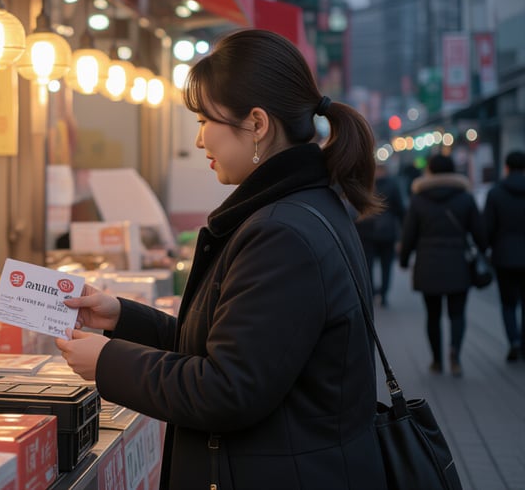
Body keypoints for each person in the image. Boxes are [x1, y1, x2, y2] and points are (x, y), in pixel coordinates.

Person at [54, 29, 386, 489]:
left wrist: (108, 361)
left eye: (204, 121)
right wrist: (120, 317)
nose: (198, 141)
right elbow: (226, 345)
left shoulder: (280, 232)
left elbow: (228, 388)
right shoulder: (300, 207)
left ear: (256, 124)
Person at [399, 154, 485, 377]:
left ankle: (436, 361)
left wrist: (404, 259)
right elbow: (479, 232)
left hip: (428, 263)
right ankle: (455, 353)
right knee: (457, 313)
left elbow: (408, 234)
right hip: (458, 261)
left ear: (429, 170)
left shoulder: (418, 199)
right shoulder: (465, 197)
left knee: (433, 315)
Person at [483, 150, 525, 362]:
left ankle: (514, 342)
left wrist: (487, 248)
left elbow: (487, 228)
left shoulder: (496, 192)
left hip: (505, 256)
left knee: (508, 303)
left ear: (506, 167)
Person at [356, 163, 405, 306]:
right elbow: (400, 210)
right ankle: (384, 294)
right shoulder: (393, 185)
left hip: (366, 230)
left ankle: (370, 293)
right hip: (387, 231)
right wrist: (401, 234)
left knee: (368, 265)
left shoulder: (365, 186)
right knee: (386, 265)